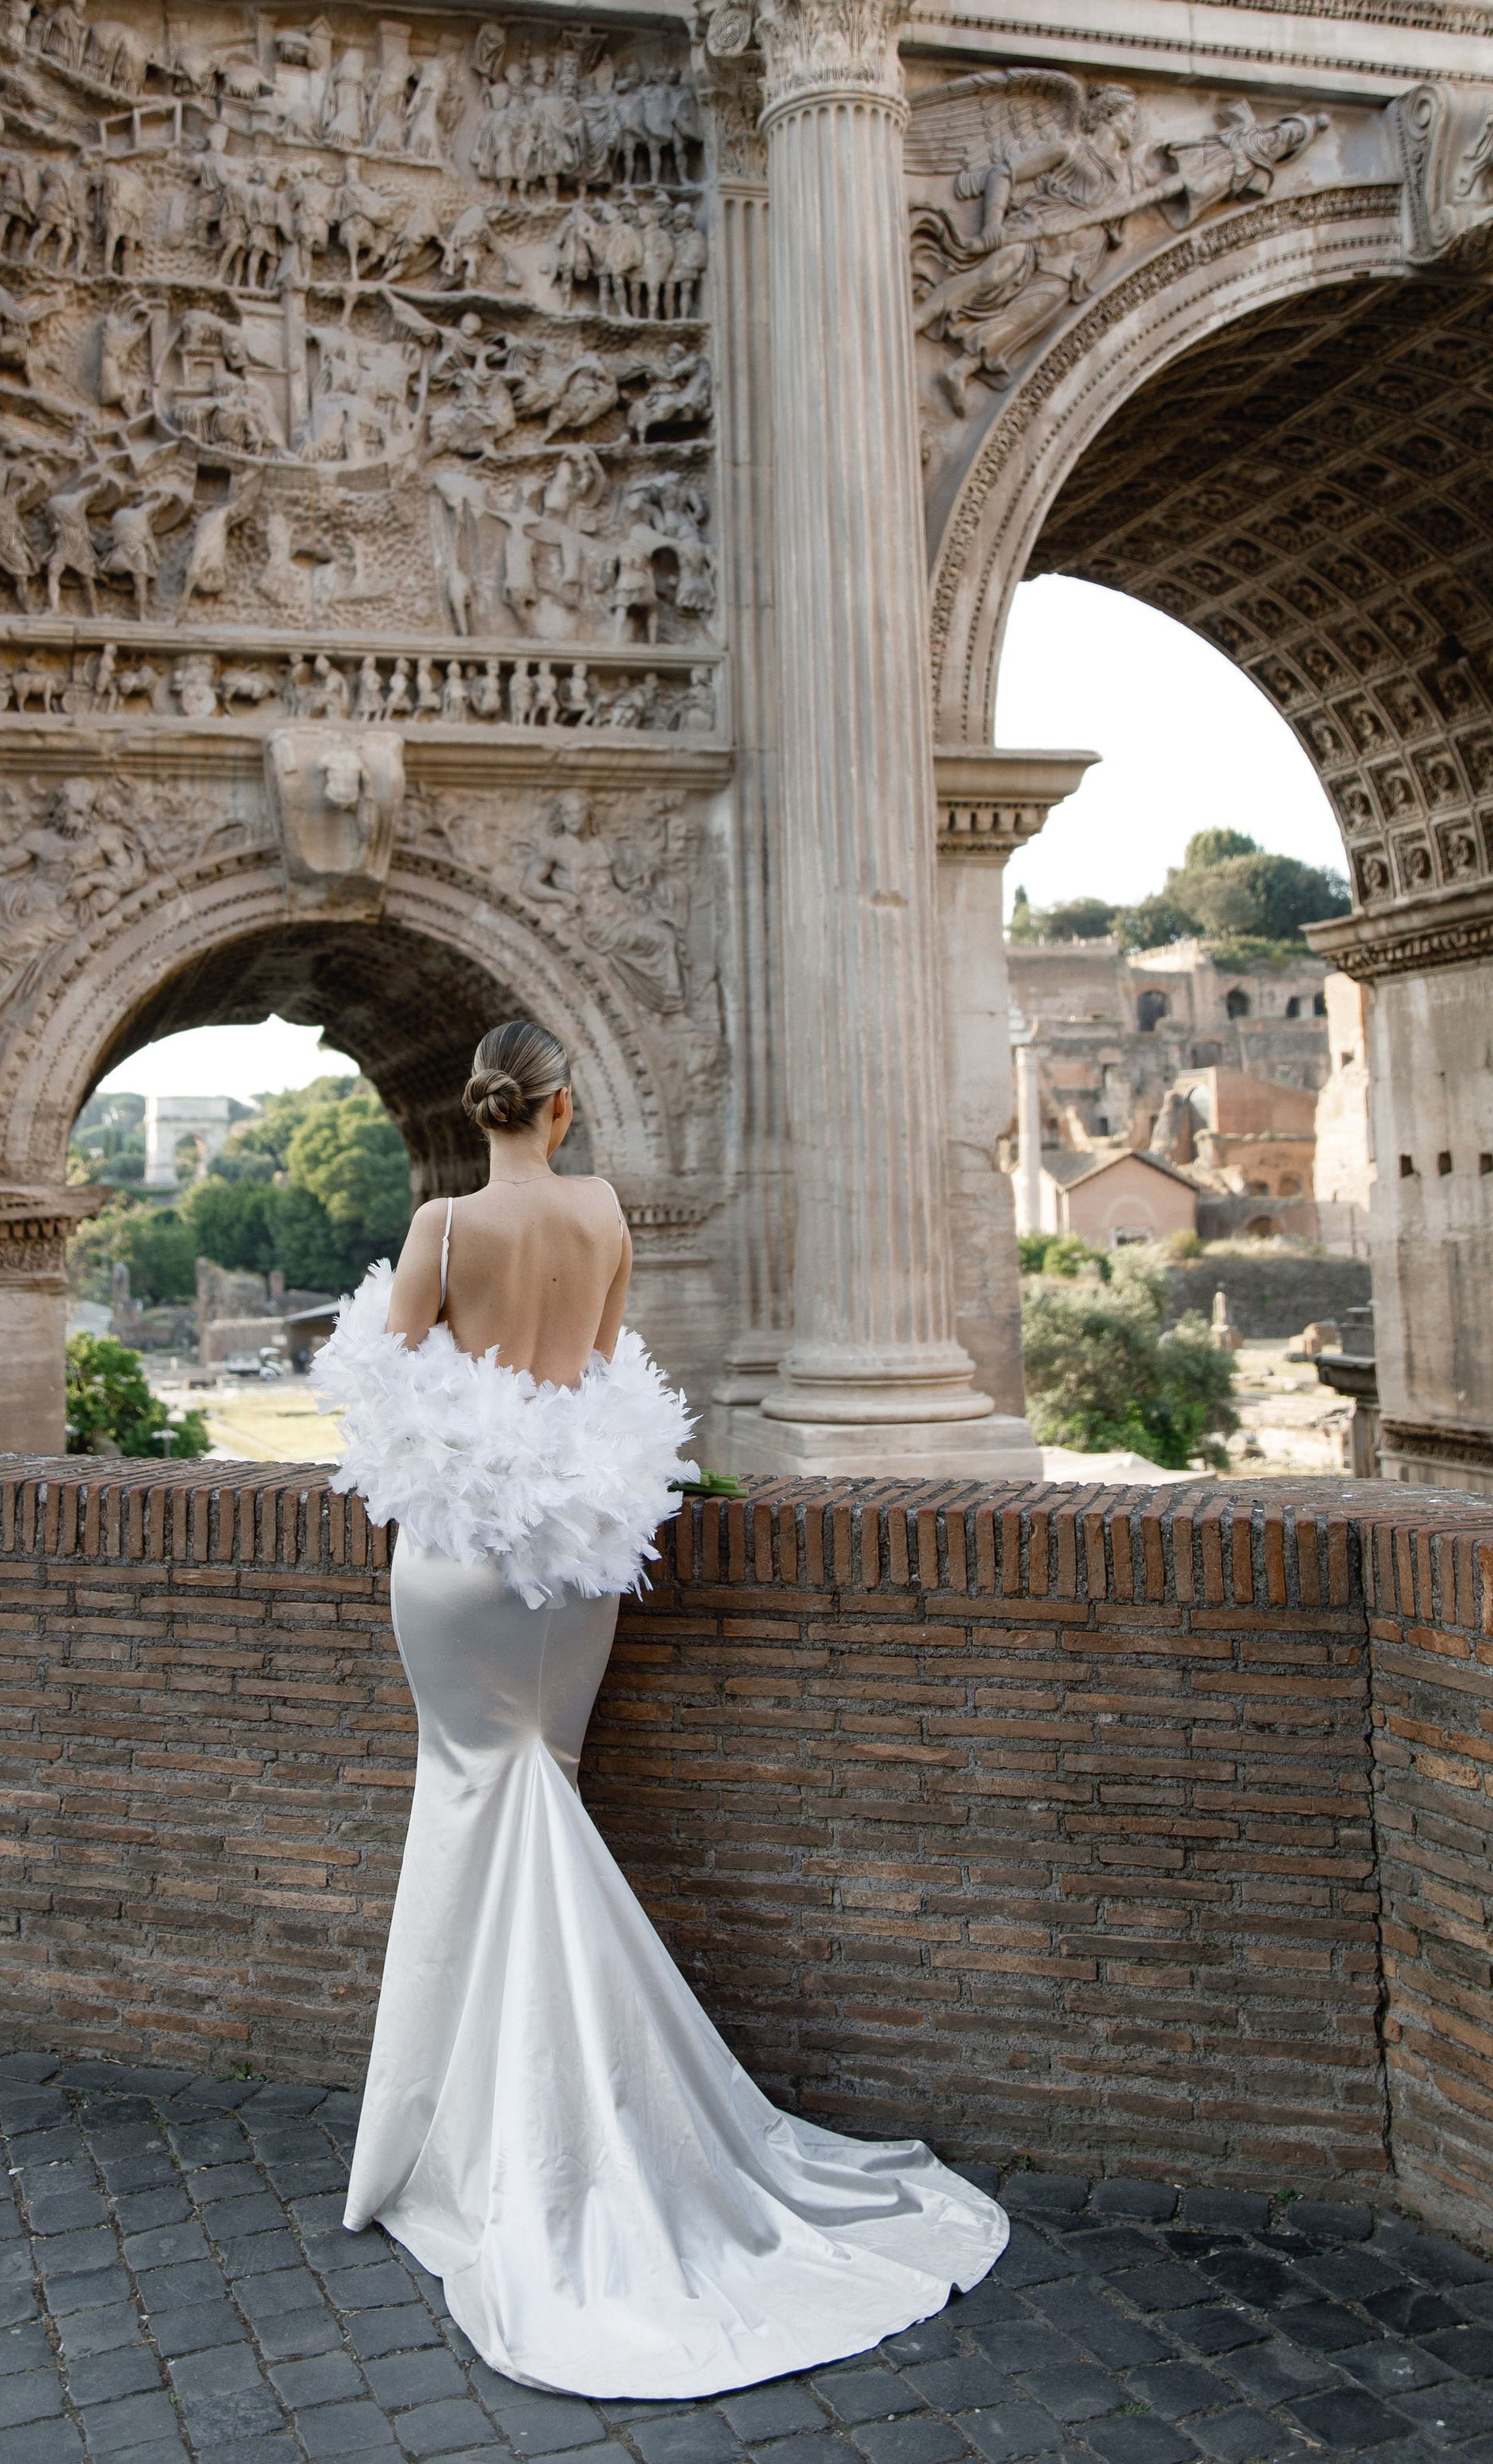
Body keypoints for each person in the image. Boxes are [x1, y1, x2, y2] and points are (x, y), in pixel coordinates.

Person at [311, 1023, 1008, 2402]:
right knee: (543, 1787)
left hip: (460, 1562)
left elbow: (386, 1393)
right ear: (563, 1106)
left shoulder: (444, 1223)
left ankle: (460, 2130)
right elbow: (611, 1370)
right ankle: (573, 2113)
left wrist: (459, 1412)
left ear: (484, 1105)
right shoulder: (607, 1215)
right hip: (577, 1556)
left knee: (470, 1798)